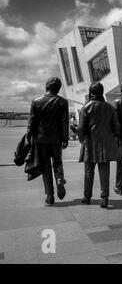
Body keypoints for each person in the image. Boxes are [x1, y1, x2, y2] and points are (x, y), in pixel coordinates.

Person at [26, 77, 69, 205]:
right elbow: (64, 122)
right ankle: (60, 179)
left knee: (45, 167)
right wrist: (65, 139)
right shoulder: (63, 102)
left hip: (41, 139)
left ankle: (50, 196)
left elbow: (32, 122)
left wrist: (28, 136)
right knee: (57, 163)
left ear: (47, 86)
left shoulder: (36, 101)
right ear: (58, 88)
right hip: (56, 139)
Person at [78, 82, 120, 208]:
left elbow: (81, 128)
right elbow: (116, 128)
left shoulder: (86, 107)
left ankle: (87, 196)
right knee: (104, 171)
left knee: (88, 171)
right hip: (105, 144)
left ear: (91, 93)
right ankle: (104, 197)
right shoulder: (110, 108)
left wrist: (82, 139)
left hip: (90, 143)